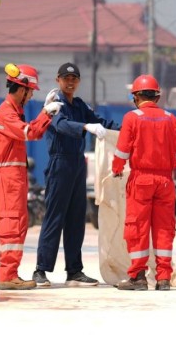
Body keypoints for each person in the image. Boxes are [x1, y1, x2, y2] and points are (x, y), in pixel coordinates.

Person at [33, 62, 119, 288]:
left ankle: (74, 271)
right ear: (58, 80)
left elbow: (101, 122)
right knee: (54, 217)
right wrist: (85, 128)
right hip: (60, 163)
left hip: (77, 164)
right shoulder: (54, 104)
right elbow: (61, 125)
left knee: (76, 219)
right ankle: (41, 270)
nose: (70, 82)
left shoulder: (80, 105)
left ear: (78, 81)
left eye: (74, 79)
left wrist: (127, 127)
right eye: (66, 78)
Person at [0, 63, 62, 290]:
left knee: (19, 224)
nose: (31, 95)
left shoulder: (14, 112)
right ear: (21, 89)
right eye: (30, 91)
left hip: (16, 176)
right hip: (8, 177)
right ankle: (6, 275)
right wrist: (46, 112)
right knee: (11, 224)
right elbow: (30, 133)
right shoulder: (5, 113)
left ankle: (11, 273)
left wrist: (46, 113)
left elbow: (35, 132)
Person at [112, 75, 176, 290]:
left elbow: (122, 151)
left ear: (136, 96)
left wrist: (116, 169)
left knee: (137, 228)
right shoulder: (171, 119)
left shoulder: (132, 118)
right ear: (158, 96)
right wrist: (165, 167)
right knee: (164, 229)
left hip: (141, 179)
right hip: (164, 180)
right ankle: (163, 278)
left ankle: (138, 277)